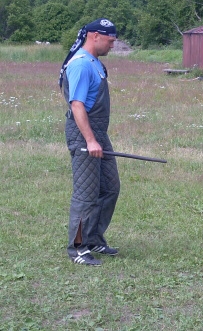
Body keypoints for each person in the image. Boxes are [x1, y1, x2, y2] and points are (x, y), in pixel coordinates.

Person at [59, 18, 120, 266]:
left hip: (97, 134)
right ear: (95, 36)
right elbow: (77, 105)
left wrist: (98, 137)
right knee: (86, 194)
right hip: (85, 135)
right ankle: (78, 249)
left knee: (109, 187)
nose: (113, 46)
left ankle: (94, 239)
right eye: (110, 40)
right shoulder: (81, 65)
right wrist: (90, 140)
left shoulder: (95, 63)